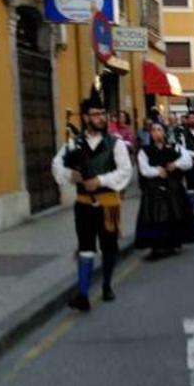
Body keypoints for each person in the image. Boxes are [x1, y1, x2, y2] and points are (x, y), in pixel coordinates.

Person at [52, 85, 133, 311]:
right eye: (95, 114)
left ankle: (107, 285)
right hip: (84, 206)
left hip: (108, 205)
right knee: (85, 247)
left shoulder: (115, 143)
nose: (100, 118)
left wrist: (100, 181)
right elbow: (57, 165)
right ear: (86, 117)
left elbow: (125, 171)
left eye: (103, 114)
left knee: (109, 247)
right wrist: (73, 176)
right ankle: (84, 294)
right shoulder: (74, 143)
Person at [135, 122, 194, 260]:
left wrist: (175, 164)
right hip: (153, 190)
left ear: (164, 132)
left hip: (173, 188)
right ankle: (156, 247)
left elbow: (188, 162)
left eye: (159, 130)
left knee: (174, 214)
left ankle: (173, 242)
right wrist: (158, 171)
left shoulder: (175, 147)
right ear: (150, 134)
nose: (157, 133)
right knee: (155, 217)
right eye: (154, 130)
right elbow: (144, 169)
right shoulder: (144, 150)